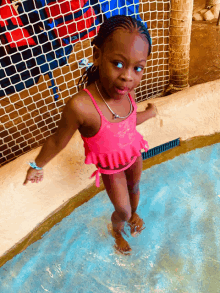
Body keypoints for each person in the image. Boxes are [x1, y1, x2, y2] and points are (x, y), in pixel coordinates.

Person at [23, 15, 158, 255]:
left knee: (136, 186)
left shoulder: (127, 91)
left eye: (137, 68)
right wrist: (37, 165)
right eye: (118, 63)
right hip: (112, 167)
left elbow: (127, 122)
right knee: (123, 210)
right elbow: (57, 140)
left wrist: (149, 113)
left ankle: (133, 213)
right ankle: (116, 230)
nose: (128, 76)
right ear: (97, 55)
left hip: (133, 152)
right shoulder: (82, 106)